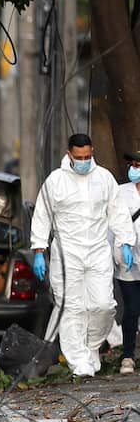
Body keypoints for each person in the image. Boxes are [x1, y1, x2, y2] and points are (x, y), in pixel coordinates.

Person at [31, 134, 135, 377]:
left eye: (88, 156)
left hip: (98, 250)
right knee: (71, 308)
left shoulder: (104, 178)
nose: (84, 161)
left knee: (103, 305)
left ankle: (91, 347)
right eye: (79, 158)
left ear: (92, 152)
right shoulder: (55, 181)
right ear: (69, 155)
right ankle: (79, 361)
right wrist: (39, 250)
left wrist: (126, 242)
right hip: (67, 253)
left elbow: (118, 212)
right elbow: (42, 217)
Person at [113, 151, 140, 374]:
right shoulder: (121, 193)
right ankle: (128, 356)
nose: (135, 169)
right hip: (128, 262)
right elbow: (112, 224)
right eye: (134, 164)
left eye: (139, 165)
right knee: (132, 309)